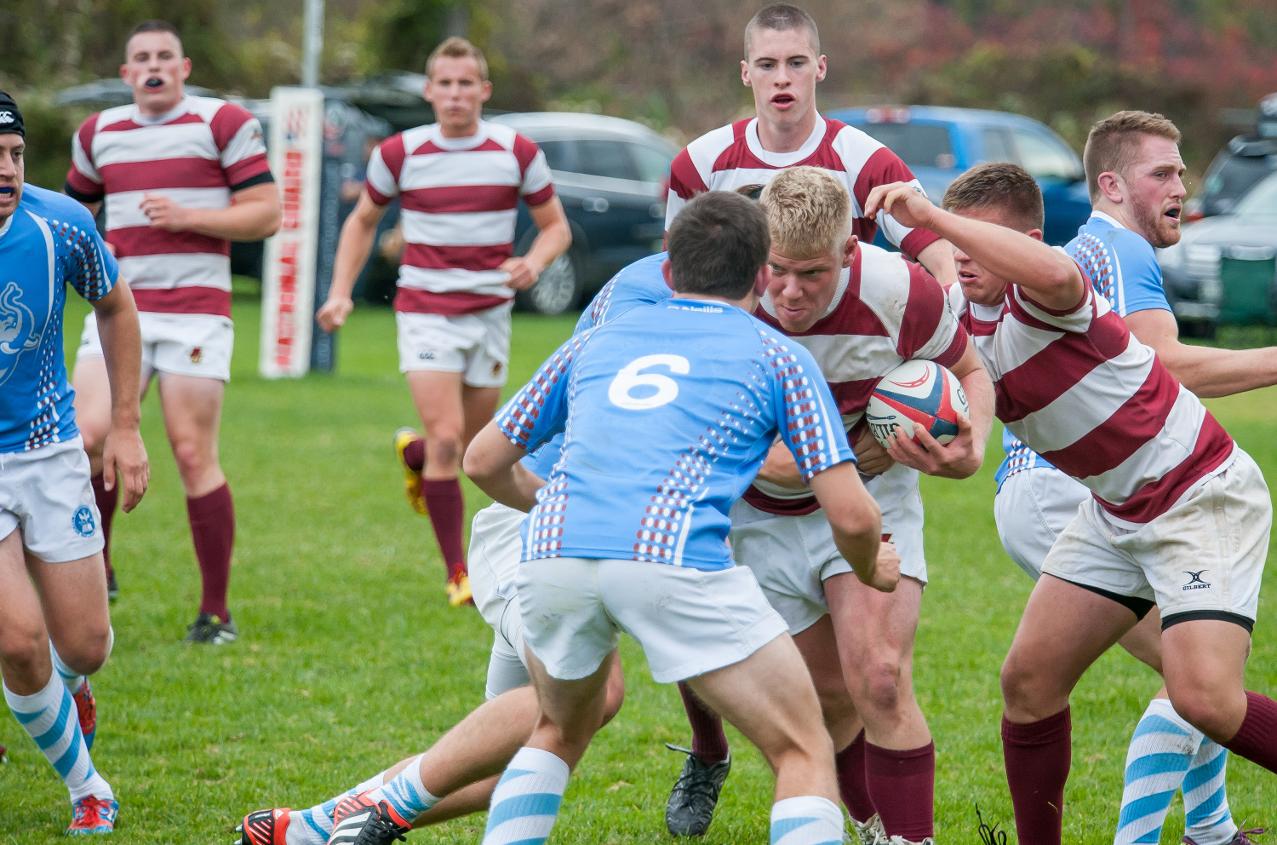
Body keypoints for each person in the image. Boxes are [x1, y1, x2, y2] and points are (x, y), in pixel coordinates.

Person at [463, 189, 896, 845]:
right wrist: (874, 565)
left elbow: (481, 460)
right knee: (802, 746)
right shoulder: (778, 354)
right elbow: (853, 517)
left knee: (551, 731)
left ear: (667, 271)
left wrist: (547, 503)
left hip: (552, 550)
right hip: (666, 555)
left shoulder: (600, 337)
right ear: (761, 275)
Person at [866, 165, 1277, 844]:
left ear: (1027, 241)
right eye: (959, 240)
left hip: (1198, 494)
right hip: (1115, 510)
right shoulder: (956, 323)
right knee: (1027, 683)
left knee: (1202, 696)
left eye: (982, 239)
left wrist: (934, 220)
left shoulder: (1052, 291)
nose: (965, 255)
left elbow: (1044, 269)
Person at [661, 8, 967, 834]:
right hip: (750, 469)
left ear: (820, 68)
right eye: (769, 63)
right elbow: (676, 290)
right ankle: (711, 749)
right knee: (802, 691)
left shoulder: (867, 170)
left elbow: (931, 256)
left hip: (863, 451)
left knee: (874, 679)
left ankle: (895, 829)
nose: (783, 77)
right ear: (746, 71)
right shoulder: (700, 164)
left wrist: (944, 404)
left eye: (797, 61)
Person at [992, 111, 1275, 845]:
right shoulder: (1115, 248)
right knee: (1202, 684)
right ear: (1111, 186)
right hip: (1083, 486)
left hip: (1078, 485)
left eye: (1181, 171)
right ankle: (1181, 833)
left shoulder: (1093, 251)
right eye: (1162, 173)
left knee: (1195, 683)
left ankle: (1207, 827)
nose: (1181, 184)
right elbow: (1168, 366)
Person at [316, 36, 570, 608]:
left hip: (490, 314)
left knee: (472, 448)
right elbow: (362, 222)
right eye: (445, 84)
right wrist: (339, 293)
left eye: (466, 84)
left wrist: (532, 262)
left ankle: (415, 456)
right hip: (426, 313)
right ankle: (459, 572)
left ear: (484, 90)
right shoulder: (401, 154)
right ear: (429, 92)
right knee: (450, 440)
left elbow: (557, 227)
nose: (455, 95)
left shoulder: (516, 152)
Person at [64, 19, 280, 643]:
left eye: (165, 56)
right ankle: (96, 568)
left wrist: (191, 216)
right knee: (89, 438)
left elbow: (268, 213)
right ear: (127, 74)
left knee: (191, 451)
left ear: (184, 68)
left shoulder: (223, 124)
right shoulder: (97, 133)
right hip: (117, 309)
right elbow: (77, 214)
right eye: (141, 58)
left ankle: (216, 612)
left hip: (194, 309)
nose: (153, 66)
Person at [0, 90, 149, 835]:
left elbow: (116, 306)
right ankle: (87, 786)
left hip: (51, 450)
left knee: (83, 642)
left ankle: (68, 687)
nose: (6, 171)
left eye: (15, 154)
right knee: (17, 641)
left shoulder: (61, 223)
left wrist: (124, 424)